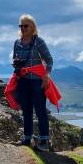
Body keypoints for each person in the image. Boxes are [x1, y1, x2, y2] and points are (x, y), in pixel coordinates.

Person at [12, 14, 53, 150]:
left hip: (37, 82)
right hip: (22, 81)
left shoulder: (38, 41)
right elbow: (15, 59)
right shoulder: (17, 43)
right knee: (26, 111)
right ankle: (27, 138)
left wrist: (46, 76)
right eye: (21, 26)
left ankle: (44, 142)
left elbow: (49, 60)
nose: (23, 28)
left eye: (26, 25)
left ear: (32, 27)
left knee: (40, 110)